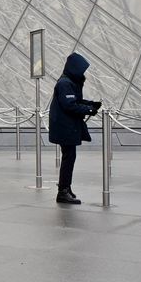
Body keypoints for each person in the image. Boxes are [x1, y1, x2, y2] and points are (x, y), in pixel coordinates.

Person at [48, 53, 102, 204]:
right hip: (65, 127)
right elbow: (69, 104)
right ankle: (63, 191)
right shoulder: (65, 83)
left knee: (69, 157)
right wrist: (88, 109)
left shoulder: (68, 82)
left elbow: (74, 100)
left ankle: (66, 188)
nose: (83, 73)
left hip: (67, 126)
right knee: (68, 158)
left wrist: (90, 104)